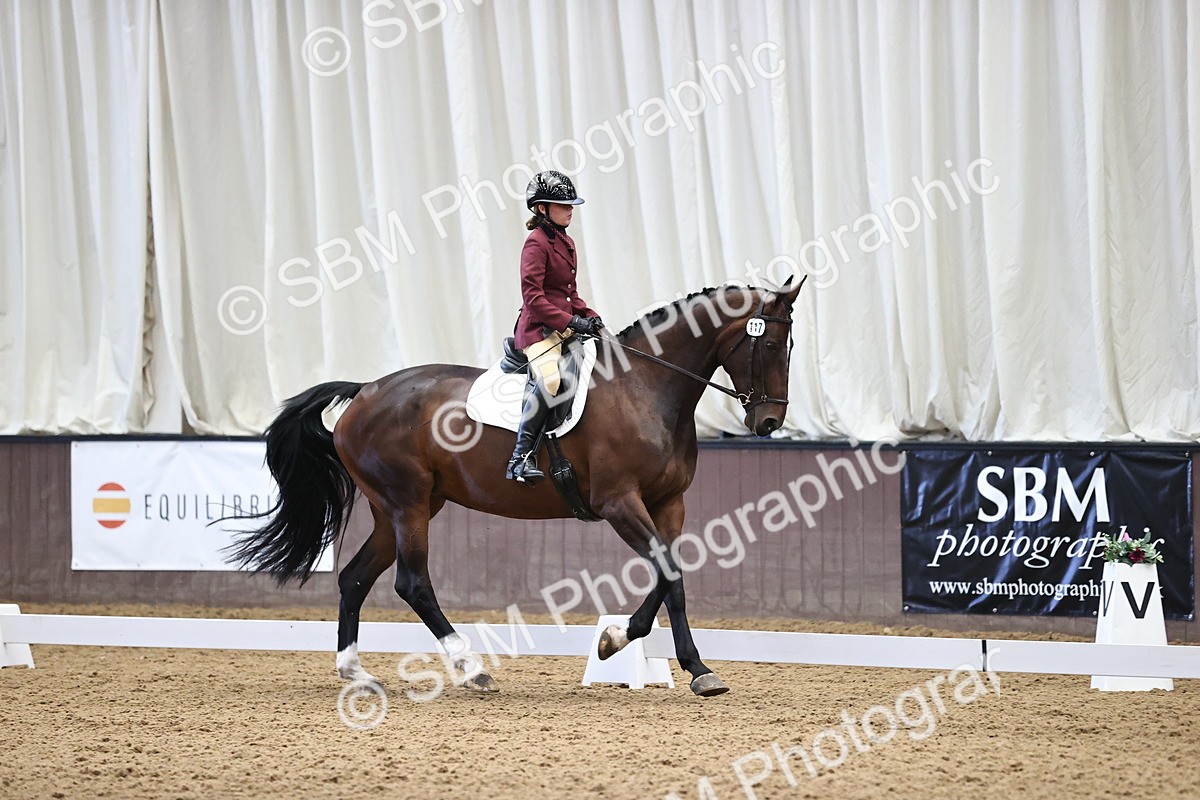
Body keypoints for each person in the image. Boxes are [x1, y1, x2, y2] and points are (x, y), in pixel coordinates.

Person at [506, 170, 604, 484]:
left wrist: (590, 316)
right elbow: (533, 298)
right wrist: (570, 321)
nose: (570, 209)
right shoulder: (535, 243)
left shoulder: (565, 240)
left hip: (563, 327)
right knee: (550, 381)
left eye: (571, 205)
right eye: (563, 205)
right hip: (538, 330)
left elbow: (568, 294)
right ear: (542, 208)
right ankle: (520, 458)